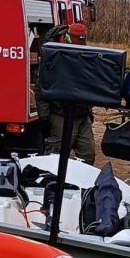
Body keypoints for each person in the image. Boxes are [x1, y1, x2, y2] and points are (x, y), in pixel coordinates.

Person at [36, 23, 96, 165]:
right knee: (57, 159)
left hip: (82, 115)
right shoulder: (54, 56)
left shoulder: (85, 55)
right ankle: (53, 183)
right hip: (60, 115)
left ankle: (80, 183)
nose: (82, 45)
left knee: (88, 155)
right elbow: (42, 88)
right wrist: (44, 117)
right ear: (68, 38)